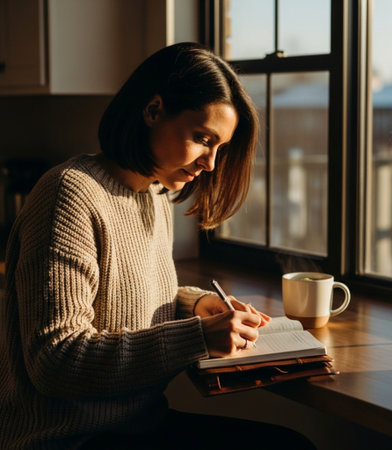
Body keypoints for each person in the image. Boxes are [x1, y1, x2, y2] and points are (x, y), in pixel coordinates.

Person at [0, 42, 316, 449]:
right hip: (71, 438)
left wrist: (197, 306)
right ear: (152, 111)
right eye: (203, 138)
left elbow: (123, 299)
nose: (211, 164)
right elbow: (55, 361)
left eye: (220, 147)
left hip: (138, 425)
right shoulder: (69, 194)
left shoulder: (153, 196)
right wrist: (198, 337)